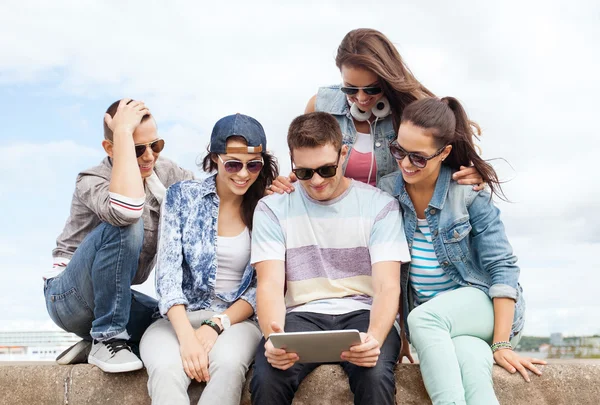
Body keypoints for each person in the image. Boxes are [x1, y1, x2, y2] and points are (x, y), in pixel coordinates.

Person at [378, 97, 546, 405]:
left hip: (485, 309)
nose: (404, 163)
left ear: (443, 153)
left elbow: (503, 267)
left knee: (423, 319)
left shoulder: (467, 194)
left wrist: (501, 344)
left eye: (417, 158)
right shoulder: (388, 191)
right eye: (398, 151)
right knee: (472, 370)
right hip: (441, 327)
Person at [250, 112, 411, 405]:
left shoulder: (380, 206)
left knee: (374, 376)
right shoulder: (271, 208)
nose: (316, 181)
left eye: (326, 170)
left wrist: (374, 337)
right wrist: (273, 336)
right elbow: (269, 285)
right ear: (292, 163)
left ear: (343, 154)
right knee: (268, 375)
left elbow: (388, 287)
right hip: (300, 315)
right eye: (304, 172)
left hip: (364, 312)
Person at [44, 99, 194, 372]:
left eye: (155, 145)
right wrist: (122, 133)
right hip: (68, 297)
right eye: (138, 149)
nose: (149, 156)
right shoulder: (92, 179)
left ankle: (98, 345)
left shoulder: (166, 172)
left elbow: (212, 201)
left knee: (175, 320)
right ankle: (108, 336)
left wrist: (268, 188)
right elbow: (126, 211)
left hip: (115, 298)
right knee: (128, 223)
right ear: (111, 147)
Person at [140, 114, 278, 405]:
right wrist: (188, 338)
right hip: (176, 319)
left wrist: (217, 325)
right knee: (166, 369)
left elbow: (261, 287)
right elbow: (167, 274)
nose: (243, 174)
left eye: (253, 165)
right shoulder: (181, 197)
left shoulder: (267, 208)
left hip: (236, 321)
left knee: (227, 367)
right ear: (215, 158)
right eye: (233, 164)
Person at [270, 28, 483, 194]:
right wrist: (288, 182)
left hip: (392, 223)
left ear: (387, 79)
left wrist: (470, 174)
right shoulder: (320, 106)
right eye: (350, 89)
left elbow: (439, 155)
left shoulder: (413, 111)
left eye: (372, 88)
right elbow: (307, 164)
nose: (361, 98)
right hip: (333, 221)